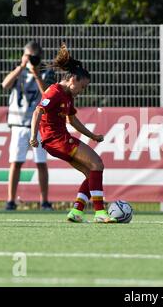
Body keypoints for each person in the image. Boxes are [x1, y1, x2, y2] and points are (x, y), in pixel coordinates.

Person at [29, 43, 117, 223]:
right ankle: (100, 213)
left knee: (91, 172)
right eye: (82, 87)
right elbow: (38, 111)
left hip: (58, 140)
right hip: (56, 140)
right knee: (97, 163)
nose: (81, 92)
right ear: (73, 80)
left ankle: (76, 212)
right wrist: (32, 137)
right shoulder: (54, 92)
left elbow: (72, 120)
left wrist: (93, 136)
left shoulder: (67, 95)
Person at [2, 41, 55, 210]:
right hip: (18, 124)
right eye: (28, 55)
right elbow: (5, 85)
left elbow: (47, 94)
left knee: (41, 162)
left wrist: (36, 73)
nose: (31, 59)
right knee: (15, 162)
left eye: (34, 57)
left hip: (38, 124)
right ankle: (10, 200)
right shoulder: (19, 71)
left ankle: (44, 201)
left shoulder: (46, 72)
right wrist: (21, 67)